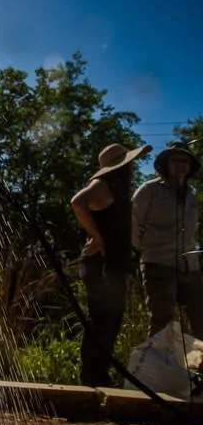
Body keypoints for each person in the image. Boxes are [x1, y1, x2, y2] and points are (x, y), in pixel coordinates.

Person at [71, 142, 151, 386]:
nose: (134, 168)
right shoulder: (101, 185)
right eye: (131, 163)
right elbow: (77, 202)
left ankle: (100, 375)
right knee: (101, 320)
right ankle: (91, 377)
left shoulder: (117, 190)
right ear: (121, 166)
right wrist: (97, 236)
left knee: (111, 320)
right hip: (100, 264)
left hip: (113, 264)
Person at [132, 141, 203, 339]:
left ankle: (199, 366)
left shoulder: (191, 194)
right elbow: (134, 226)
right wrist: (149, 250)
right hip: (159, 265)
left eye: (185, 161)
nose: (181, 165)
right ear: (166, 164)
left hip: (189, 266)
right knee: (162, 321)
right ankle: (158, 367)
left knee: (200, 317)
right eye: (176, 160)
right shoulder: (149, 190)